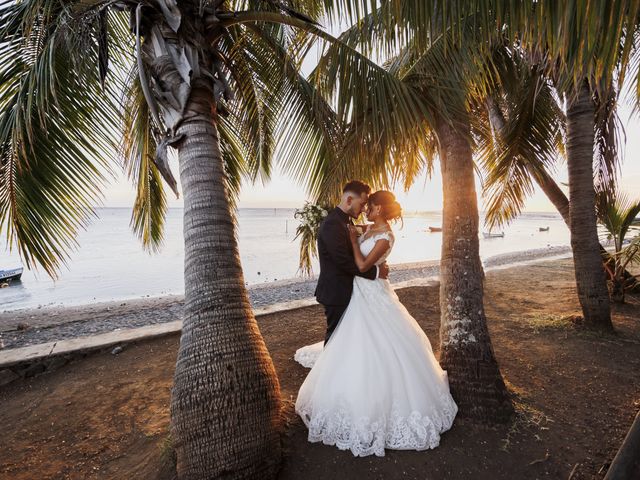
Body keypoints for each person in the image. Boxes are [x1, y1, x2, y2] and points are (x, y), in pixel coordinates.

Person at [294, 189, 458, 457]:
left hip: (370, 291)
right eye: (363, 204)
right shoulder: (365, 227)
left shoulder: (385, 236)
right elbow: (349, 234)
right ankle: (340, 392)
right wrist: (353, 235)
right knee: (348, 340)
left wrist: (357, 246)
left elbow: (359, 265)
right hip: (358, 291)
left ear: (379, 209)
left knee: (372, 342)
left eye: (369, 206)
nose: (365, 209)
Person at [313, 180, 389, 346]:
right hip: (336, 292)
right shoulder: (333, 224)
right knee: (335, 339)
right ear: (348, 200)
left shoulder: (344, 220)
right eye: (361, 204)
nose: (363, 209)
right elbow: (343, 262)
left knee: (346, 339)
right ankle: (330, 372)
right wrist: (376, 272)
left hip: (347, 290)